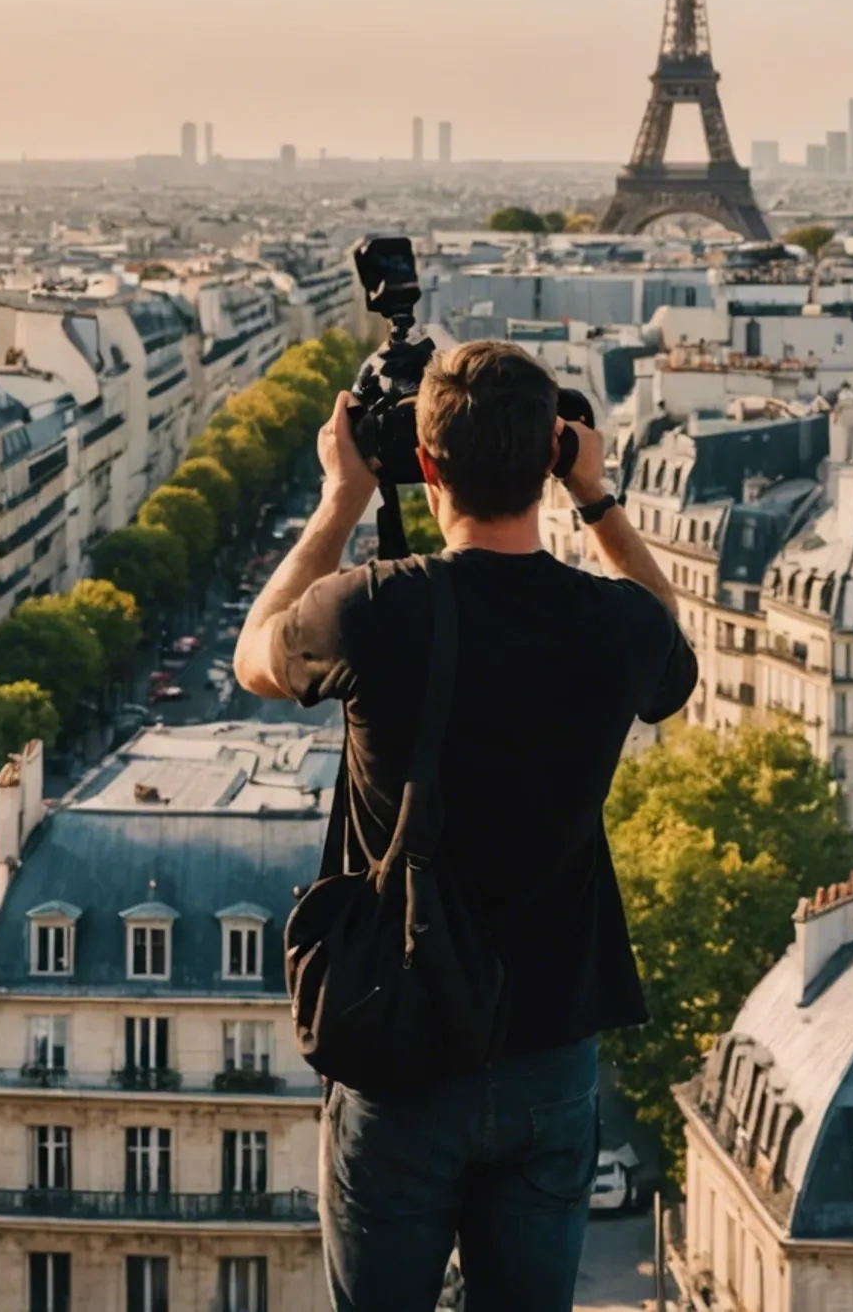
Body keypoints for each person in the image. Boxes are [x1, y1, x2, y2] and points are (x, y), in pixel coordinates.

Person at [234, 339, 694, 1312]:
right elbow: (671, 645)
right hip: (550, 1046)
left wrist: (341, 500)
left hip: (399, 1035)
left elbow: (253, 656)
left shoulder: (374, 610)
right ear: (548, 458)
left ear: (428, 466)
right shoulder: (613, 626)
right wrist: (598, 496)